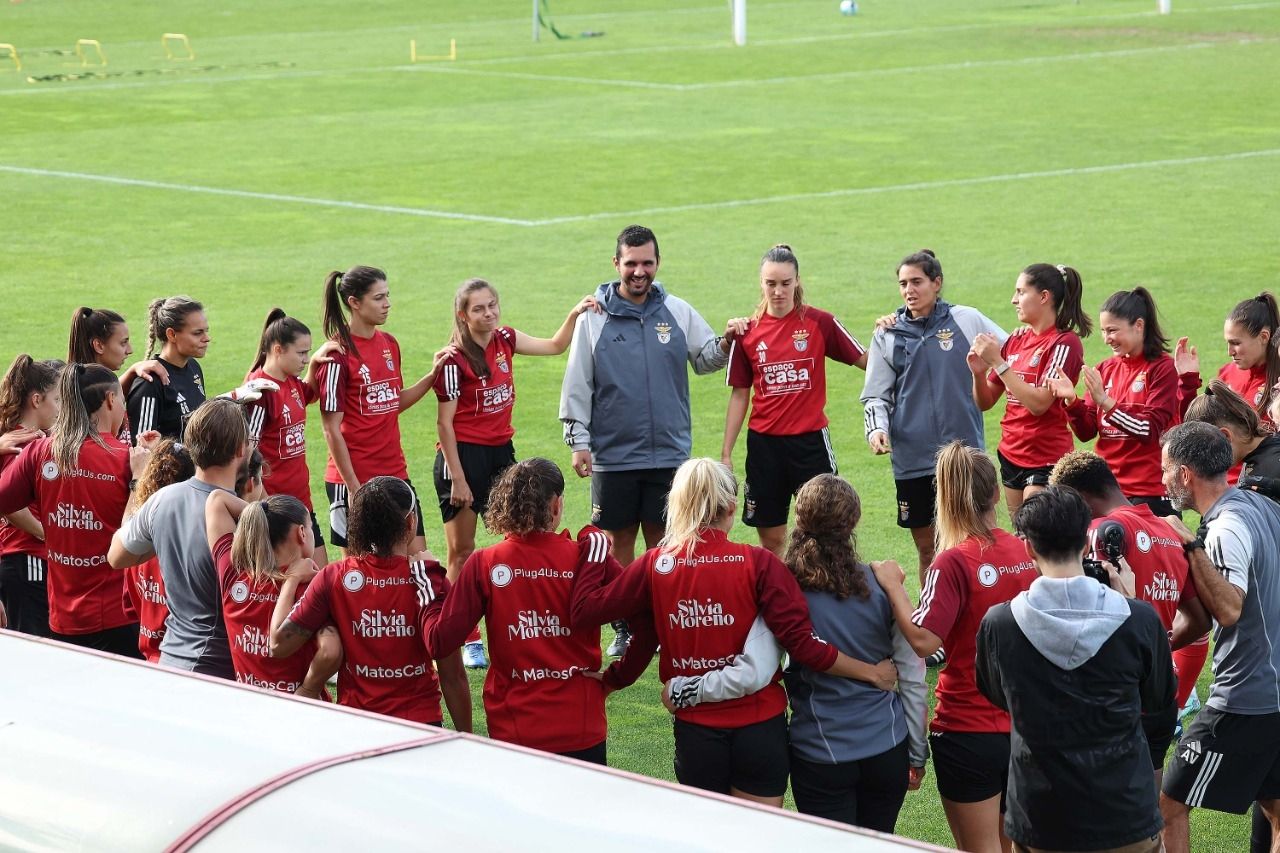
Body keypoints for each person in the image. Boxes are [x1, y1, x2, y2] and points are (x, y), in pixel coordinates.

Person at [568, 458, 898, 807]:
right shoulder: (759, 562)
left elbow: (589, 613)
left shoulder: (656, 564)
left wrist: (594, 546)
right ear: (731, 507)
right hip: (761, 729)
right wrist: (871, 672)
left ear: (678, 506)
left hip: (698, 731)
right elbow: (803, 645)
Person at [559, 225, 735, 655]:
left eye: (647, 263)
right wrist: (578, 441)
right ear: (616, 263)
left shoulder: (676, 309)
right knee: (618, 546)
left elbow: (706, 358)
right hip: (614, 455)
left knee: (664, 543)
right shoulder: (594, 316)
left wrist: (728, 342)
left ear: (657, 262)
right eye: (631, 263)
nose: (639, 271)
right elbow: (577, 382)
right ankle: (627, 627)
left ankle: (661, 622)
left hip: (670, 453)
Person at [975, 486, 1176, 853]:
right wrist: (1130, 603)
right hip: (1125, 813)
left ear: (1029, 548)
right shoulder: (1138, 619)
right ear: (1087, 543)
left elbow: (996, 693)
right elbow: (1160, 696)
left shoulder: (999, 624)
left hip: (1042, 817)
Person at [421, 458, 647, 762]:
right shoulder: (587, 557)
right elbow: (646, 623)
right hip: (581, 726)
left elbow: (439, 641)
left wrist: (428, 582)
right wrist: (618, 676)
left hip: (513, 729)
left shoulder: (485, 563)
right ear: (555, 505)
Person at [872, 440, 1039, 853]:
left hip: (967, 730)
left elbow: (925, 641)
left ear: (944, 499)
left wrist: (894, 588)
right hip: (1025, 726)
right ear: (997, 494)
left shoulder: (951, 562)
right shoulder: (1025, 549)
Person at [434, 279, 598, 669]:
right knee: (462, 551)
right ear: (463, 315)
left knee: (519, 535)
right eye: (479, 309)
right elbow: (444, 426)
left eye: (493, 305)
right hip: (462, 458)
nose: (489, 314)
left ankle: (522, 617)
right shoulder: (454, 361)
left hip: (501, 454)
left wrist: (574, 313)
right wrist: (458, 477)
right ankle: (466, 638)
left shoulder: (505, 338)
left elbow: (554, 346)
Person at [1156, 422, 1280, 853]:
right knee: (1277, 812)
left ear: (1186, 474)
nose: (1163, 479)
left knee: (1169, 805)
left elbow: (1228, 609)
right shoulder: (1259, 505)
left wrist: (1191, 547)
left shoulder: (1225, 529)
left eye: (1166, 469)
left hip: (1244, 699)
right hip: (1274, 690)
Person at [1047, 449, 1210, 778]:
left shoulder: (1100, 530)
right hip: (1160, 693)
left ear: (1080, 497)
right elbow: (1200, 620)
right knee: (1148, 809)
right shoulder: (1170, 531)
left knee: (1104, 810)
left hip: (1112, 693)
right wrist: (1156, 648)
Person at [270, 476, 471, 728]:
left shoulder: (333, 578)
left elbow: (278, 646)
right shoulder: (431, 580)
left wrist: (322, 620)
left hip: (358, 724)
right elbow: (452, 676)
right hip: (420, 723)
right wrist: (467, 738)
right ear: (410, 523)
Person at [861, 249, 1006, 584]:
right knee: (928, 551)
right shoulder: (887, 333)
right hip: (913, 459)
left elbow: (1014, 348)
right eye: (903, 283)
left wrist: (997, 380)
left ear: (936, 283)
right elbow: (875, 394)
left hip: (964, 456)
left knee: (976, 542)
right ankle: (935, 626)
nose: (909, 290)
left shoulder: (966, 319)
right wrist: (877, 430)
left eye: (917, 282)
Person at [720, 244, 867, 556]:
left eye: (785, 283)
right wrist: (726, 452)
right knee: (771, 540)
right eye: (771, 284)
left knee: (824, 533)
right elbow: (740, 394)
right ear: (760, 283)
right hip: (764, 447)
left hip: (810, 445)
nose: (778, 291)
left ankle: (823, 600)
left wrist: (889, 330)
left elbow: (868, 361)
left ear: (797, 281)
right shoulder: (747, 333)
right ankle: (781, 600)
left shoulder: (820, 323)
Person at [0, 364, 151, 656]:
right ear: (110, 400)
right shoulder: (126, 462)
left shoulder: (41, 451)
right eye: (122, 401)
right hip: (119, 615)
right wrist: (141, 479)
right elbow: (144, 539)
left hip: (62, 617)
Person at [109, 398, 251, 677]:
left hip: (171, 658)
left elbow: (116, 556)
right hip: (219, 671)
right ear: (240, 449)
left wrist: (165, 540)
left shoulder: (164, 499)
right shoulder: (244, 518)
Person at [317, 266, 443, 556]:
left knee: (418, 559)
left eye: (387, 296)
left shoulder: (389, 344)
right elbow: (330, 428)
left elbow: (391, 403)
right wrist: (353, 487)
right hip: (352, 479)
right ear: (354, 302)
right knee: (359, 572)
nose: (387, 304)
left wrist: (432, 376)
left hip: (396, 473)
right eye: (378, 298)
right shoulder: (337, 355)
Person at [1047, 287, 1180, 516]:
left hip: (1150, 494)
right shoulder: (1105, 369)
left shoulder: (1162, 369)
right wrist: (1072, 401)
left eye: (1113, 330)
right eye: (1103, 331)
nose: (1107, 338)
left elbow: (1149, 429)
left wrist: (1106, 402)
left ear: (1139, 326)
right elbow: (1087, 431)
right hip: (1109, 493)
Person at [970, 263, 1089, 515]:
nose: (1014, 300)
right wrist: (979, 374)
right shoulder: (1016, 340)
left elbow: (1039, 404)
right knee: (1022, 534)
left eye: (1021, 292)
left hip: (1046, 458)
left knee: (1038, 531)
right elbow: (985, 401)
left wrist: (999, 363)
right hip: (1011, 453)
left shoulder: (1064, 343)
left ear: (1044, 297)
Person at [206, 484, 340, 699]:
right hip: (299, 711)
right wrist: (309, 688)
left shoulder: (234, 572)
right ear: (302, 533)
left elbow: (216, 500)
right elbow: (330, 651)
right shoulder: (308, 588)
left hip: (249, 704)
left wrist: (261, 517)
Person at [243, 308, 340, 564]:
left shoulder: (291, 381)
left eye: (308, 352)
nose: (305, 359)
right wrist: (265, 507)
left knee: (318, 577)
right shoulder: (260, 391)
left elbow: (308, 393)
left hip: (302, 503)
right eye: (301, 353)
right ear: (277, 349)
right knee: (287, 585)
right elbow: (246, 455)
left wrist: (318, 360)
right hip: (276, 509)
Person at [0, 356, 60, 637]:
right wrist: (47, 534)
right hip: (27, 559)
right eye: (56, 400)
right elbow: (11, 506)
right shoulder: (25, 444)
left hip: (20, 560)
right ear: (37, 400)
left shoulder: (15, 436)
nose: (59, 408)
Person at [122, 439, 194, 662]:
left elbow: (130, 608)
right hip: (183, 660)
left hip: (150, 658)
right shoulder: (191, 545)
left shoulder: (136, 547)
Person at [1177, 293, 1280, 429]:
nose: (1229, 352)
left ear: (1263, 337)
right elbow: (1197, 427)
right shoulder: (1227, 373)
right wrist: (1188, 381)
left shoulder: (1277, 383)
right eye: (1228, 343)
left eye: (1236, 343)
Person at [126, 296, 210, 442]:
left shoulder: (194, 367)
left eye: (206, 331)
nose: (207, 338)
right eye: (198, 333)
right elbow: (142, 448)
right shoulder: (149, 383)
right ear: (172, 334)